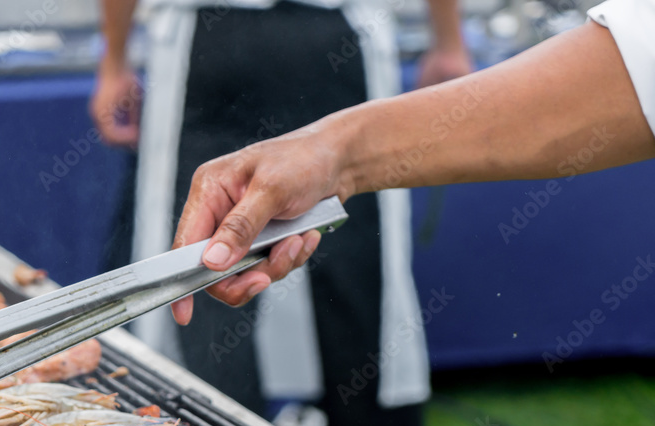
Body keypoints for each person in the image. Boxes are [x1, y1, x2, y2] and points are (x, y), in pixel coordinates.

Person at [91, 0, 473, 426]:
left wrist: (113, 60)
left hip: (217, 37)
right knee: (356, 285)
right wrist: (448, 40)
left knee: (204, 268)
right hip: (326, 41)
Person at [168, 1, 655, 322]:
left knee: (360, 299)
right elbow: (624, 75)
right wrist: (334, 156)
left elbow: (625, 76)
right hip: (226, 39)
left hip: (331, 34)